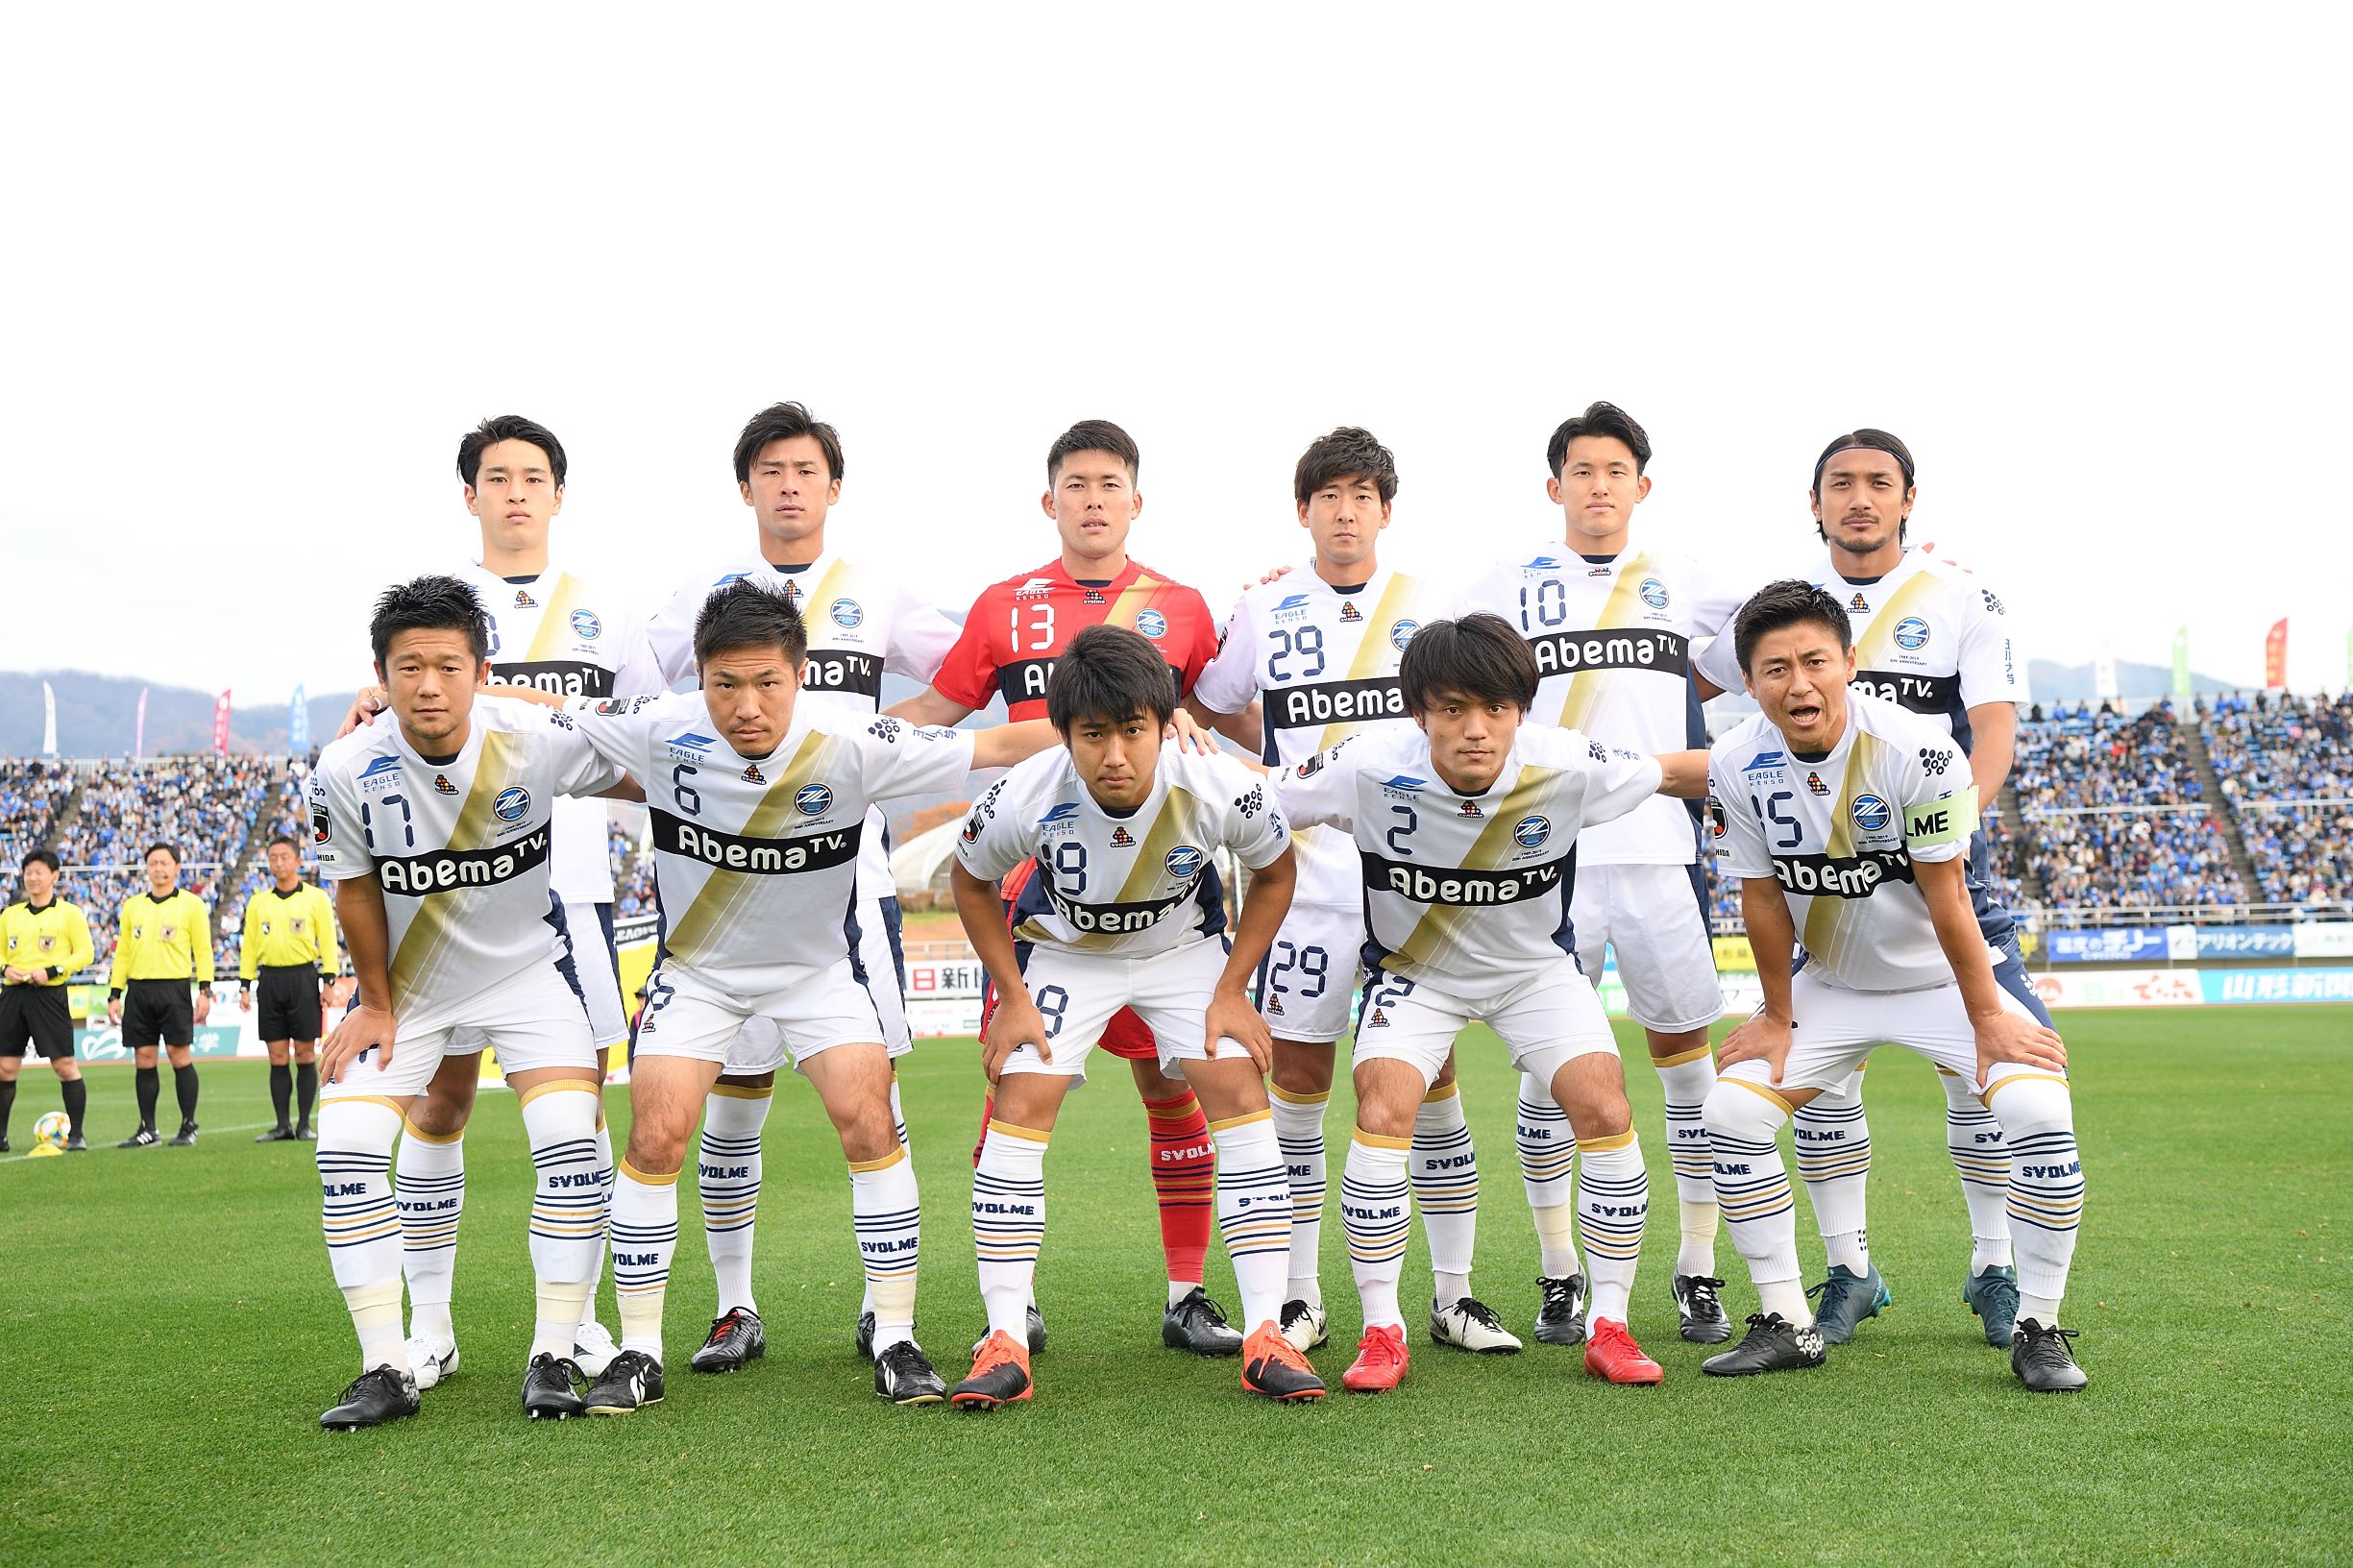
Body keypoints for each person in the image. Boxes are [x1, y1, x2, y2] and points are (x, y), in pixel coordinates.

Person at [552, 579, 1058, 1410]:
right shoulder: (661, 725)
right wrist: (401, 699)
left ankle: (895, 1338)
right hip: (698, 973)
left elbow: (998, 742)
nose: (746, 706)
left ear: (799, 675)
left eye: (767, 683)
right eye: (725, 685)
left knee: (869, 1119)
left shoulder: (852, 738)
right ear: (699, 679)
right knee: (656, 1133)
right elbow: (541, 713)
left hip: (817, 972)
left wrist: (1140, 722)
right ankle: (639, 1350)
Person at [1275, 614, 1709, 1390]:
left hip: (1532, 974)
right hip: (1416, 975)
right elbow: (1260, 803)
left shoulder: (1568, 761)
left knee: (1604, 1106)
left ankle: (1609, 1326)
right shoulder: (1366, 764)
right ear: (1418, 712)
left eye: (1495, 709)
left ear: (1521, 710)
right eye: (1451, 709)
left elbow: (1676, 771)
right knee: (1382, 1109)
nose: (1475, 729)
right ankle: (1381, 1331)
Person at [887, 419, 1241, 1356]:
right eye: (1075, 485)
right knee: (1014, 1086)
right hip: (1040, 890)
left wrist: (1282, 611)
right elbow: (935, 712)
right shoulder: (1004, 607)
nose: (1092, 500)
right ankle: (1015, 1306)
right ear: (1049, 501)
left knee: (1173, 1087)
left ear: (1136, 500)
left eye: (1109, 484)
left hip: (1163, 890)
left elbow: (1230, 717)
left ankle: (1188, 1294)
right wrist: (829, 744)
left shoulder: (1183, 608)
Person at [1693, 429, 2041, 1348]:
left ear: (1907, 499)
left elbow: (1992, 731)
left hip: (1930, 854)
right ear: (1813, 504)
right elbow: (1688, 682)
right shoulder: (1779, 605)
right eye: (1838, 484)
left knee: (1977, 1073)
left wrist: (1943, 831)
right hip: (1816, 869)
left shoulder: (1960, 596)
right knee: (1821, 1079)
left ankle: (1994, 1265)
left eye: (1877, 483)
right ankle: (1848, 1269)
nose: (1858, 498)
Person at [339, 415, 665, 1385]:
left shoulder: (606, 613)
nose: (515, 492)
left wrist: (520, 707)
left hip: (574, 882)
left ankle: (575, 1322)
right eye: (496, 477)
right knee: (437, 1103)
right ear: (469, 494)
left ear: (559, 495)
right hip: (447, 897)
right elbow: (385, 722)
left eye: (533, 477)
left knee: (577, 1108)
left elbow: (643, 737)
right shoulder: (434, 609)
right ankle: (431, 1328)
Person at [644, 400, 958, 1374]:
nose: (789, 486)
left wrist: (878, 747)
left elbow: (968, 674)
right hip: (727, 881)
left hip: (846, 878)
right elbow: (633, 690)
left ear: (833, 486)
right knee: (732, 1098)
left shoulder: (876, 590)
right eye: (771, 470)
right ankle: (733, 1307)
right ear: (745, 487)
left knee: (869, 1095)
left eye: (805, 470)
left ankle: (882, 1311)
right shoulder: (702, 594)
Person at [1189, 427, 1510, 1357]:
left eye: (1361, 496)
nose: (1344, 512)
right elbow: (1211, 706)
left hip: (1413, 881)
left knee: (1431, 1077)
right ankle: (1299, 1297)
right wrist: (1277, 768)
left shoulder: (1433, 605)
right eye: (1328, 495)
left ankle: (1452, 1295)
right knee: (1298, 1080)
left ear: (1385, 511)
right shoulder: (1263, 607)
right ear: (1303, 511)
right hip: (1305, 881)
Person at [948, 625, 1322, 1408]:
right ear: (1063, 734)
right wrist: (1012, 996)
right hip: (1066, 954)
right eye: (1093, 734)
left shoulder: (1218, 784)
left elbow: (1275, 871)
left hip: (1181, 952)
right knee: (1019, 1104)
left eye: (1132, 730)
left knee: (1240, 1097)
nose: (1114, 755)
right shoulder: (1026, 791)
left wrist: (1232, 988)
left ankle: (1266, 1332)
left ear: (1163, 724)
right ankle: (1004, 1338)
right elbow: (969, 879)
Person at [306, 575, 639, 1430]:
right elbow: (353, 889)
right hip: (411, 991)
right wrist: (373, 1002)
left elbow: (640, 758)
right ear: (379, 676)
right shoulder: (344, 765)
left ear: (481, 671)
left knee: (570, 1134)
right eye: (408, 667)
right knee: (345, 1146)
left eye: (449, 667)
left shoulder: (529, 737)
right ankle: (389, 1362)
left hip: (528, 972)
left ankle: (553, 1352)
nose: (429, 686)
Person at [1459, 402, 1743, 1349]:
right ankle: (1557, 1271)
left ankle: (1695, 1268)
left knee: (1685, 1063)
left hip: (1662, 853)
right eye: (1581, 470)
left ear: (1641, 486)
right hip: (1549, 858)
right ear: (1555, 486)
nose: (1598, 485)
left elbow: (1768, 649)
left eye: (1615, 470)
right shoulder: (1506, 582)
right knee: (1548, 1068)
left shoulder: (1684, 580)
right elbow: (1438, 668)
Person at [106, 844, 213, 1147]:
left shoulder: (191, 904)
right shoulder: (132, 906)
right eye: (153, 863)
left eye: (164, 863)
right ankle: (148, 1128)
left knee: (180, 1056)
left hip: (174, 989)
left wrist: (205, 990)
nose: (158, 868)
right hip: (139, 990)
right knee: (143, 1058)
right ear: (147, 868)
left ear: (177, 868)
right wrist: (115, 993)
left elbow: (203, 950)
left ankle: (188, 1125)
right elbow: (123, 953)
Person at [239, 835, 339, 1141]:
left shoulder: (316, 898)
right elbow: (249, 946)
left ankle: (304, 1124)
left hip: (303, 978)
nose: (278, 862)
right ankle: (282, 1125)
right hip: (270, 980)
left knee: (306, 1052)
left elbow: (328, 940)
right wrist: (244, 984)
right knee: (277, 1054)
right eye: (273, 857)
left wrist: (329, 979)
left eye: (284, 857)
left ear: (297, 861)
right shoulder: (258, 902)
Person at [1, 848, 95, 1152]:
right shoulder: (10, 914)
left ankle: (77, 1135)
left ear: (54, 876)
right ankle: (1, 1136)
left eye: (39, 872)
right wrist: (5, 969)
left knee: (64, 1065)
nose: (33, 878)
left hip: (49, 996)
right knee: (4, 1067)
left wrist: (53, 970)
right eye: (28, 872)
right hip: (13, 995)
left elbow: (86, 953)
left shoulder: (69, 913)